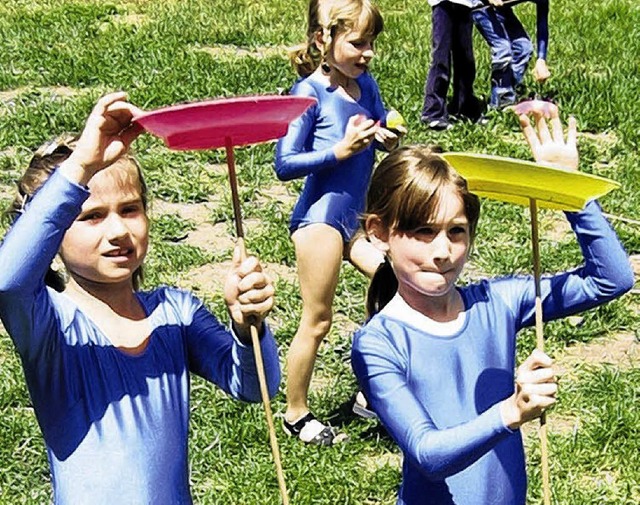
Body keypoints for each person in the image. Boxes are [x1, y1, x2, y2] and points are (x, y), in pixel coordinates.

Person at [0, 92, 281, 504]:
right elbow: (7, 279)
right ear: (53, 232)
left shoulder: (174, 313)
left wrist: (247, 325)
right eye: (91, 216)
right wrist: (81, 166)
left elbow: (255, 386)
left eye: (130, 209)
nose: (117, 231)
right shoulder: (50, 324)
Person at [351, 109, 633, 504]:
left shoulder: (497, 302)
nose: (443, 251)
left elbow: (610, 279)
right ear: (379, 233)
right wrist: (512, 411)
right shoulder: (378, 343)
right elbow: (427, 454)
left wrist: (571, 192)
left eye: (456, 231)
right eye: (423, 231)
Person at [275, 0, 403, 445]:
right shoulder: (308, 94)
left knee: (397, 284)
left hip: (355, 222)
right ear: (322, 42)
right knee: (318, 319)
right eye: (357, 43)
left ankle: (369, 391)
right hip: (320, 222)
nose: (367, 54)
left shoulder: (365, 85)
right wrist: (339, 152)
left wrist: (385, 137)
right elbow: (284, 163)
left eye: (371, 43)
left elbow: (380, 126)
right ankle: (296, 413)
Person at [472, 0, 550, 108]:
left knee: (524, 48)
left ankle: (509, 90)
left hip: (502, 9)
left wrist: (541, 59)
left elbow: (542, 24)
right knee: (503, 49)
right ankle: (501, 102)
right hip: (480, 6)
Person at [421, 0, 486, 131]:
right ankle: (433, 112)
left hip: (466, 5)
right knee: (441, 58)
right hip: (443, 4)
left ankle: (464, 107)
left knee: (466, 59)